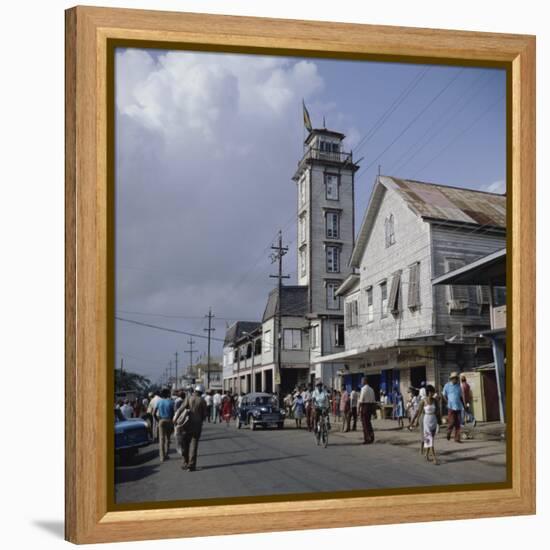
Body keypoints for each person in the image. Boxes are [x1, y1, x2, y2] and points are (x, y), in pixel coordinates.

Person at [179, 384, 208, 471]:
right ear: (201, 392)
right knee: (194, 445)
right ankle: (191, 465)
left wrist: (176, 419)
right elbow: (205, 415)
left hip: (187, 425)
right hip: (197, 426)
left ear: (195, 390)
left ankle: (185, 463)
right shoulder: (203, 401)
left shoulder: (188, 398)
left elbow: (181, 409)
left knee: (185, 444)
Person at [412, 384, 441, 464]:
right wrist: (416, 421)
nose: (432, 394)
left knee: (430, 439)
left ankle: (427, 454)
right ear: (428, 392)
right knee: (430, 439)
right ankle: (434, 458)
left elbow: (438, 412)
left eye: (433, 392)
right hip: (426, 421)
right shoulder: (423, 401)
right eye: (431, 392)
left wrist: (439, 421)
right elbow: (419, 412)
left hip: (433, 420)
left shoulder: (435, 401)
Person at [442, 372, 465, 443]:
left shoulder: (459, 386)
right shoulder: (447, 385)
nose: (455, 380)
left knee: (458, 423)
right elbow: (444, 395)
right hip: (451, 406)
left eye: (456, 378)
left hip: (458, 406)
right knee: (452, 422)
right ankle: (448, 432)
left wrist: (464, 405)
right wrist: (447, 402)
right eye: (454, 378)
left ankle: (457, 438)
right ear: (451, 379)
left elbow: (461, 397)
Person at [156, 388, 175, 462]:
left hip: (161, 420)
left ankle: (162, 457)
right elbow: (173, 413)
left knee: (161, 439)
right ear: (167, 394)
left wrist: (158, 420)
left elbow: (154, 412)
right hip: (168, 420)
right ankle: (166, 454)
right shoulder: (170, 402)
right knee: (168, 439)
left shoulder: (159, 402)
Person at [358, 377, 376, 444]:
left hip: (365, 407)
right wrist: (373, 411)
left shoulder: (363, 389)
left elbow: (361, 400)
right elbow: (374, 401)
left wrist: (358, 409)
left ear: (365, 381)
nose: (361, 382)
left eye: (362, 381)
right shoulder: (371, 389)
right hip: (370, 407)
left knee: (365, 424)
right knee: (369, 423)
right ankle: (372, 436)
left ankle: (367, 438)